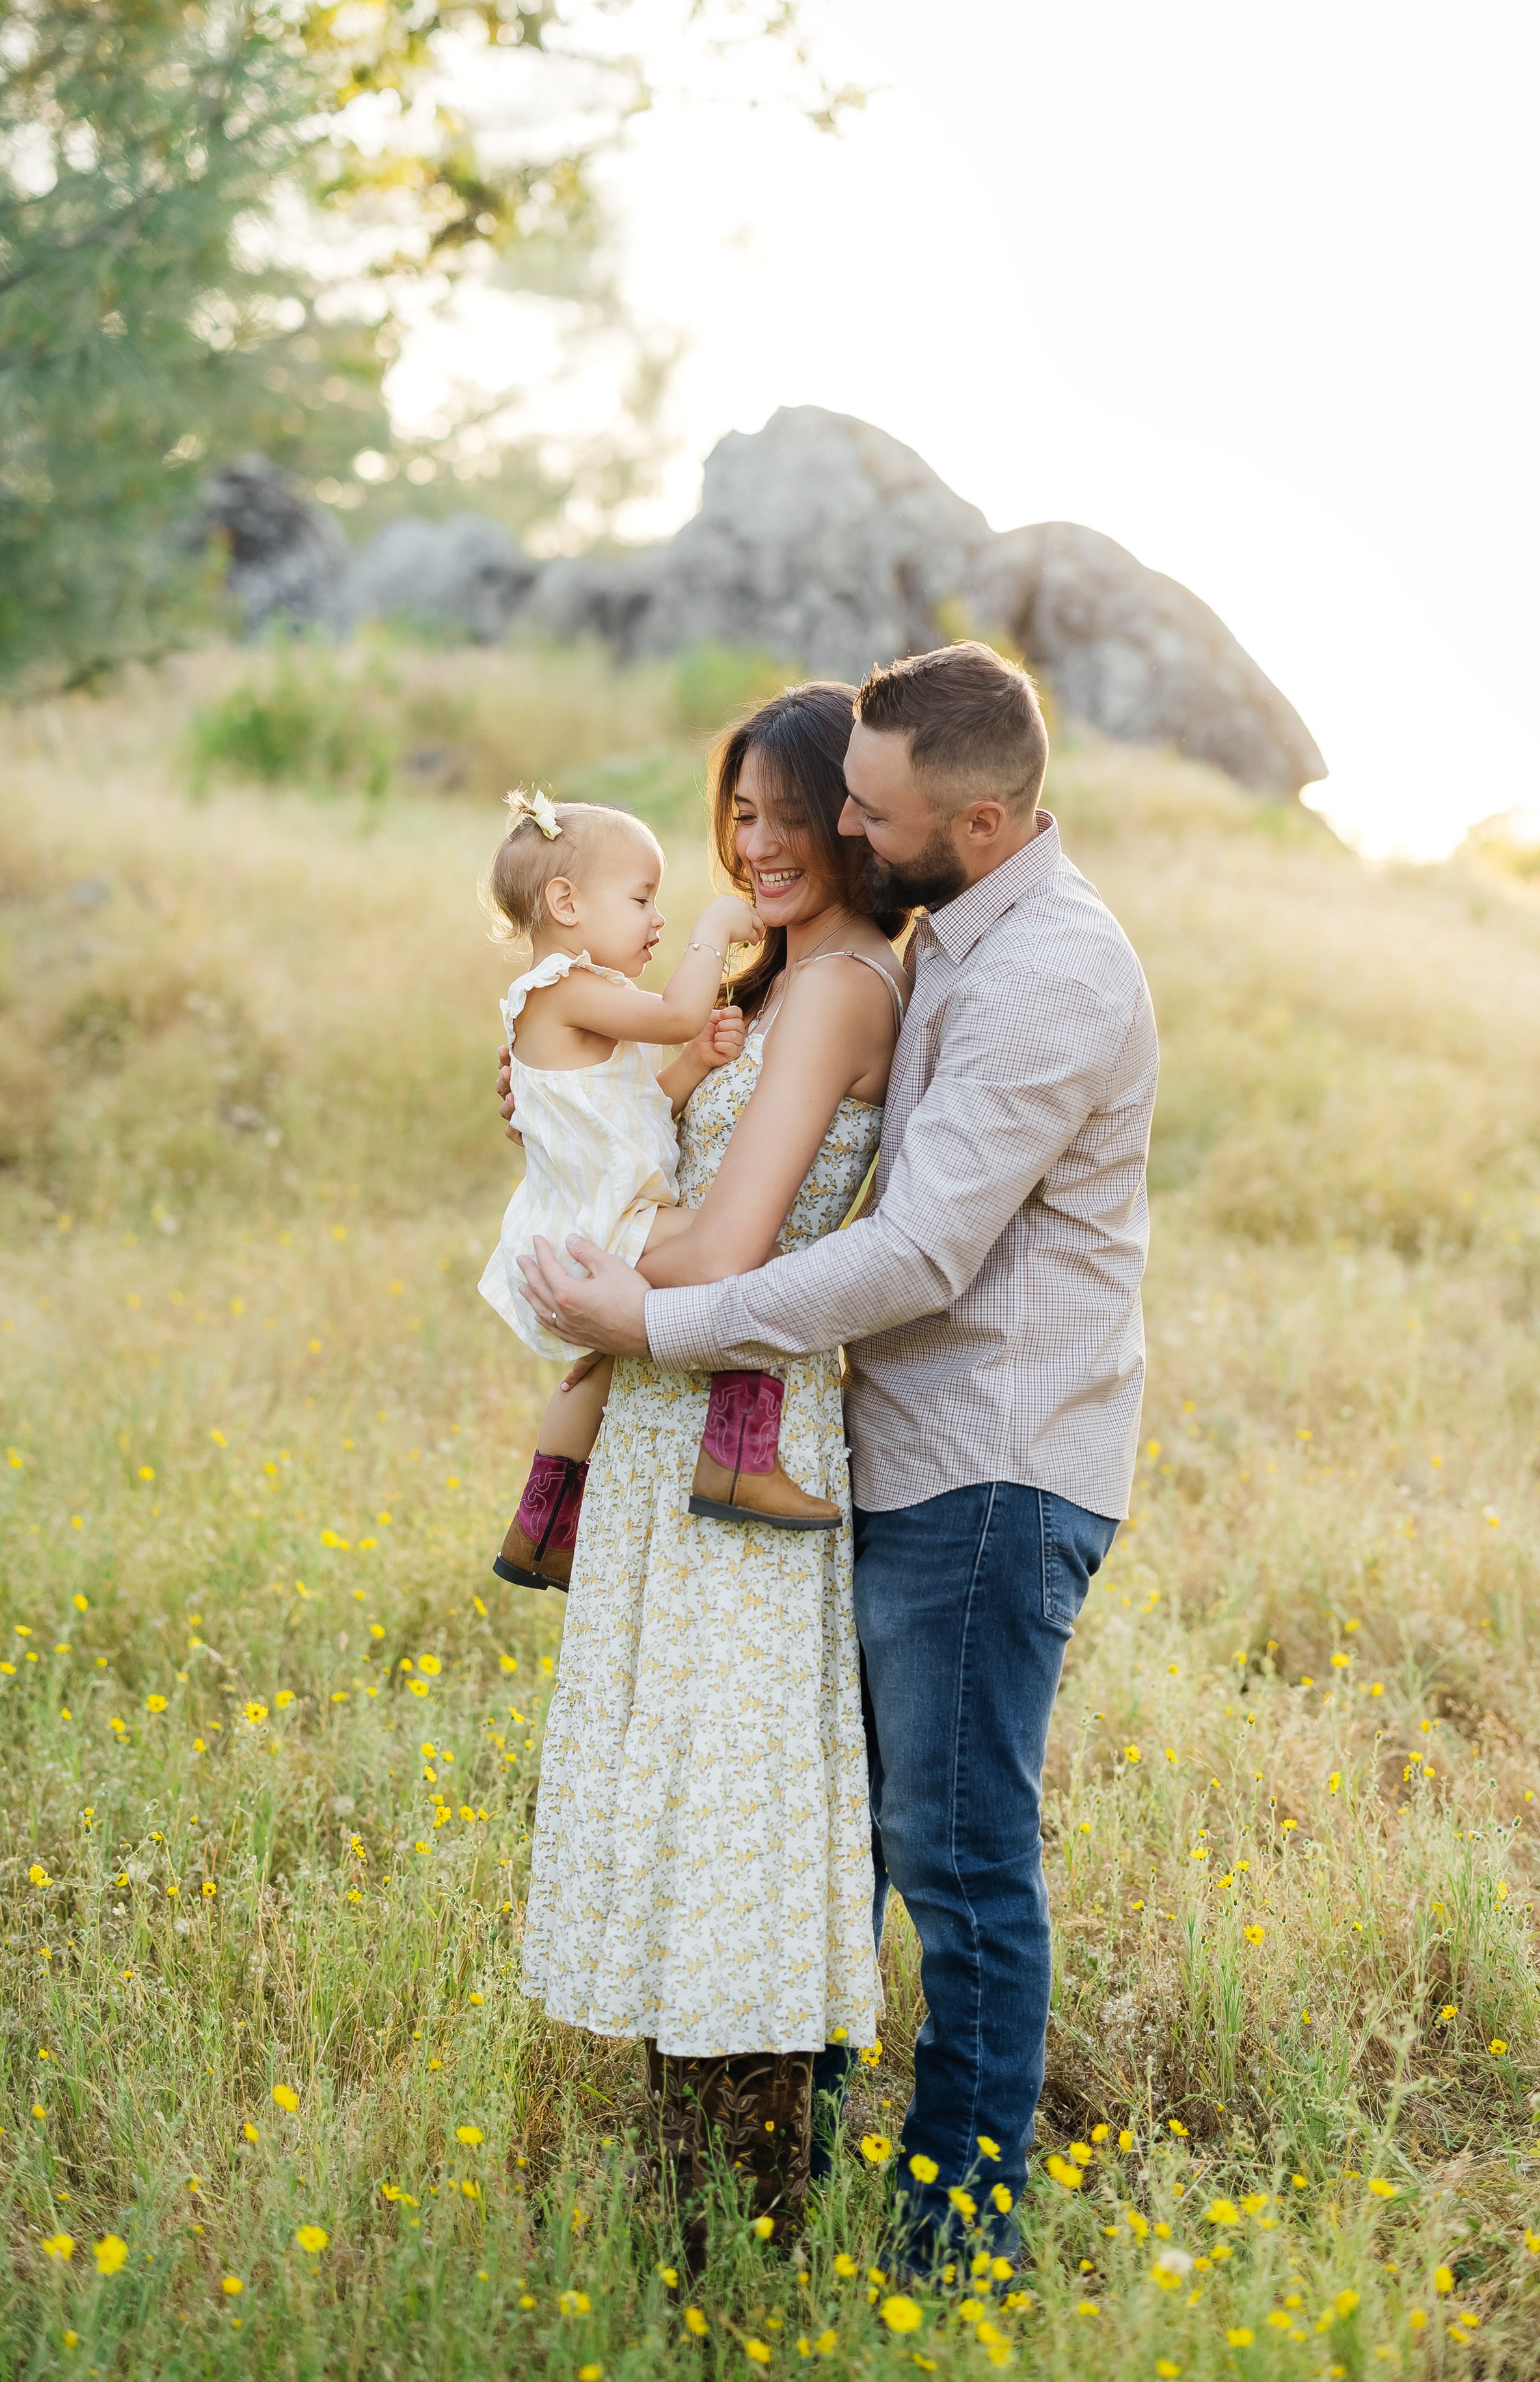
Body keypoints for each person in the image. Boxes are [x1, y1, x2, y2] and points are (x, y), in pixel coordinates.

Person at [519, 639, 1159, 2273]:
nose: (844, 833)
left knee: (955, 1859)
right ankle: (762, 2200)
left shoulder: (1050, 973)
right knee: (821, 1832)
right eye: (830, 802)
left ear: (980, 819)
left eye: (862, 810)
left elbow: (918, 1252)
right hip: (883, 1446)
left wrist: (661, 1312)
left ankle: (952, 2239)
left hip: (990, 1465)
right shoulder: (941, 932)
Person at [515, 685, 910, 2244]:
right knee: (680, 1788)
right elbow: (637, 1146)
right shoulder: (768, 978)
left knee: (739, 1798)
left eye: (787, 815)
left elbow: (733, 1240)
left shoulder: (843, 988)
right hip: (667, 1407)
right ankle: (692, 2192)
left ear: (852, 822)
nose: (755, 844)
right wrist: (569, 1110)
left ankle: (748, 2214)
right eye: (737, 814)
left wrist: (588, 1274)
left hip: (738, 1402)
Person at [480, 790, 843, 1596]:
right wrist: (713, 932)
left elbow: (641, 1110)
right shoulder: (564, 987)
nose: (658, 919)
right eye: (642, 899)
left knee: (596, 1371)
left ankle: (541, 1531)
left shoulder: (579, 1001)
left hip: (587, 1222)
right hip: (605, 1223)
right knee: (746, 1255)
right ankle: (738, 1459)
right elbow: (680, 1011)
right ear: (566, 904)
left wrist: (698, 1064)